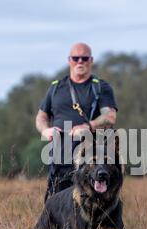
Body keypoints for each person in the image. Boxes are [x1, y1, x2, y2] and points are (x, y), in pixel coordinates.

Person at [35, 43, 118, 202]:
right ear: (69, 60)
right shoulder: (55, 88)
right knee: (56, 207)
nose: (80, 61)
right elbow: (41, 117)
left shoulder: (100, 87)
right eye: (76, 58)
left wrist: (89, 127)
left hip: (90, 162)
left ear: (91, 60)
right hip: (59, 158)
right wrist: (45, 130)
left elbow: (110, 117)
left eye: (84, 58)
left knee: (90, 208)